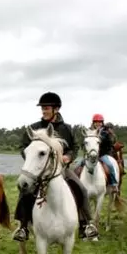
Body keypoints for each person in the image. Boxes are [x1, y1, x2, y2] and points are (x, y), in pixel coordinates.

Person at [12, 92, 99, 242]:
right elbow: (23, 147)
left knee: (80, 188)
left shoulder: (66, 128)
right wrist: (33, 160)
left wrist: (68, 157)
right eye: (42, 108)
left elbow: (74, 146)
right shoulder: (34, 128)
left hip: (61, 169)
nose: (44, 111)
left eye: (46, 108)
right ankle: (23, 227)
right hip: (39, 170)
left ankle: (86, 224)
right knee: (25, 190)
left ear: (56, 109)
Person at [81, 113, 119, 194]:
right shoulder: (89, 132)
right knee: (79, 165)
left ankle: (113, 184)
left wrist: (98, 138)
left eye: (100, 122)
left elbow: (108, 141)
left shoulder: (105, 132)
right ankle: (78, 184)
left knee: (110, 165)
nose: (98, 123)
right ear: (93, 123)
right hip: (90, 155)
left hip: (103, 154)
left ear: (102, 123)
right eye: (96, 122)